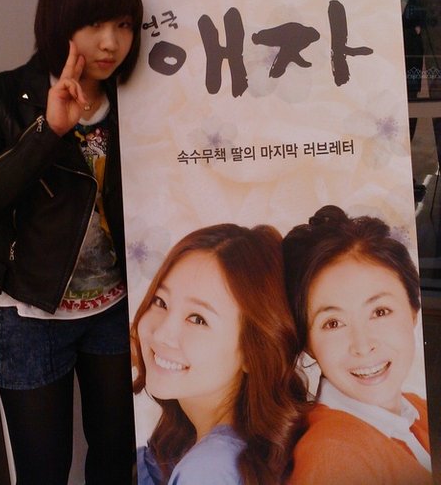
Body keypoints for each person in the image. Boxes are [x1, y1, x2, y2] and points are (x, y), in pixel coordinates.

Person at [0, 0, 143, 485]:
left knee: (115, 459)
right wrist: (49, 130)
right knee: (44, 472)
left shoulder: (137, 100)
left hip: (114, 310)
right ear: (60, 22)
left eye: (123, 25)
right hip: (31, 315)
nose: (110, 43)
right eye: (94, 24)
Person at [132, 223, 307, 485]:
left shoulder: (208, 471)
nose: (161, 334)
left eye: (197, 319)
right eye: (160, 302)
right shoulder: (221, 446)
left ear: (252, 352)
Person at [282, 205, 432, 485]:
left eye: (380, 312)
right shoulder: (335, 461)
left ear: (413, 310)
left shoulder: (416, 410)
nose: (362, 346)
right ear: (308, 343)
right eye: (333, 323)